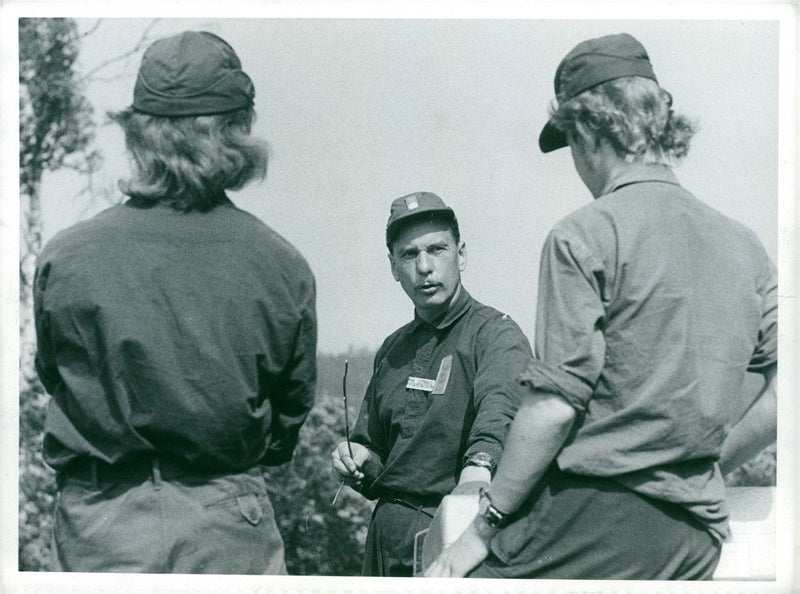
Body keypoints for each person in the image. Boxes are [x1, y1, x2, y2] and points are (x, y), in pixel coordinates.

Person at [426, 32, 777, 580]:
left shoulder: (584, 234)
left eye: (569, 141)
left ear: (588, 130)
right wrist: (701, 467)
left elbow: (554, 406)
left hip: (590, 517)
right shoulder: (745, 246)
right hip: (694, 539)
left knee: (444, 576)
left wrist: (483, 528)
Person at [33, 31, 317, 574]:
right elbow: (287, 417)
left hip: (100, 526)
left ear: (138, 132)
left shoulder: (66, 257)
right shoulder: (281, 264)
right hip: (228, 522)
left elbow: (57, 376)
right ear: (238, 130)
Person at [330, 192, 533, 576]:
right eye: (409, 255)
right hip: (385, 539)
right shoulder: (393, 349)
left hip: (454, 533)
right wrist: (357, 458)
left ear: (461, 254)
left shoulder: (496, 334)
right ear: (393, 267)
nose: (424, 267)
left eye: (437, 249)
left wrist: (479, 467)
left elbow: (500, 411)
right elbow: (377, 456)